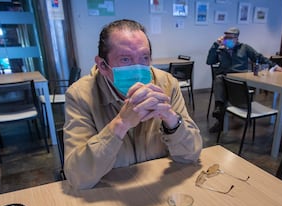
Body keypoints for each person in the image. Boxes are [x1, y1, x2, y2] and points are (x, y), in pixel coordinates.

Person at [64, 19, 202, 189]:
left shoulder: (166, 84)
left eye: (144, 57)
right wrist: (121, 124)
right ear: (102, 65)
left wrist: (172, 121)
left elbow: (191, 155)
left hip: (160, 189)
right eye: (125, 59)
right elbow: (77, 177)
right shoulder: (80, 95)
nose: (138, 68)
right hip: (111, 194)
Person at [206, 27, 282, 132]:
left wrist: (275, 66)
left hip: (240, 78)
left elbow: (259, 57)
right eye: (226, 37)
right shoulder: (220, 49)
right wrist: (216, 44)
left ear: (236, 39)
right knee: (219, 79)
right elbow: (209, 61)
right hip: (225, 78)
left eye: (230, 38)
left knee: (224, 88)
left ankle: (221, 112)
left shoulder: (244, 48)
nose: (227, 40)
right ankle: (220, 110)